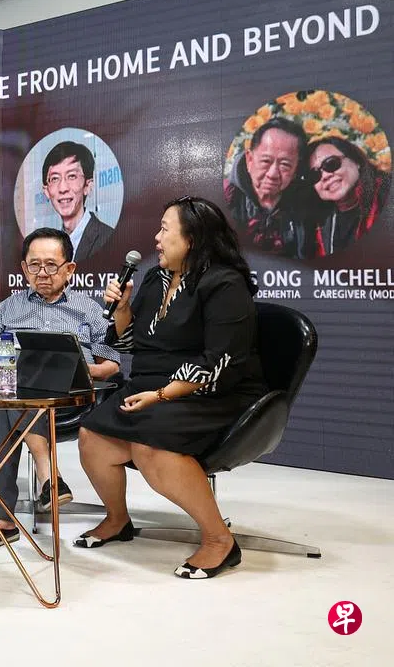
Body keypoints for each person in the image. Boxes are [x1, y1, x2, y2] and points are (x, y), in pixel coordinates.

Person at [76, 196, 267, 580]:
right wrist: (123, 308)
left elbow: (218, 362)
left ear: (192, 238)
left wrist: (162, 395)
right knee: (92, 436)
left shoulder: (224, 284)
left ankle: (220, 540)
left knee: (151, 445)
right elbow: (130, 342)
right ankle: (117, 520)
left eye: (165, 229)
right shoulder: (155, 278)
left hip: (210, 393)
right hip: (149, 388)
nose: (157, 238)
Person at [0, 228, 120, 551]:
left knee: (7, 396)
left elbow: (112, 365)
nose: (42, 273)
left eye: (51, 265)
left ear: (69, 269)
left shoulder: (88, 309)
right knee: (6, 390)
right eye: (34, 265)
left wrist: (77, 367)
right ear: (23, 268)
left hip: (68, 397)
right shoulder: (9, 308)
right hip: (12, 391)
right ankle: (50, 479)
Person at [224, 117, 310, 257]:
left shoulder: (305, 204)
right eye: (266, 161)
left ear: (296, 170)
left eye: (285, 164)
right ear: (249, 160)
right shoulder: (228, 198)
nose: (272, 174)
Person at [306, 136, 389, 256]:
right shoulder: (319, 225)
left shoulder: (386, 195)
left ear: (356, 161)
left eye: (331, 164)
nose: (325, 176)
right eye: (314, 175)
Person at [40, 141, 115, 261]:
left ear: (88, 186)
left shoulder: (109, 239)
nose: (63, 188)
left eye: (72, 176)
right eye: (55, 178)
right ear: (46, 191)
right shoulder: (46, 247)